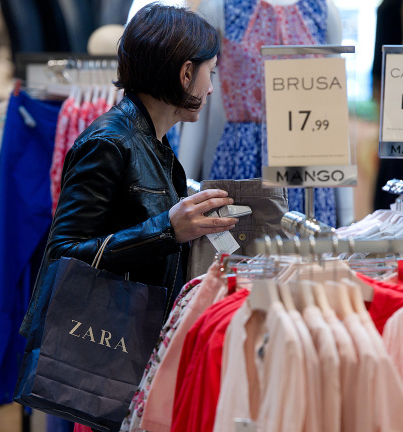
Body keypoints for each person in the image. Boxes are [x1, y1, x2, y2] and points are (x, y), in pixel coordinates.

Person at [19, 3, 238, 338]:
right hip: (106, 348)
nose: (211, 88)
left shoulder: (154, 142)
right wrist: (167, 229)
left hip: (134, 333)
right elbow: (63, 253)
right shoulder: (109, 142)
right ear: (186, 73)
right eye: (212, 72)